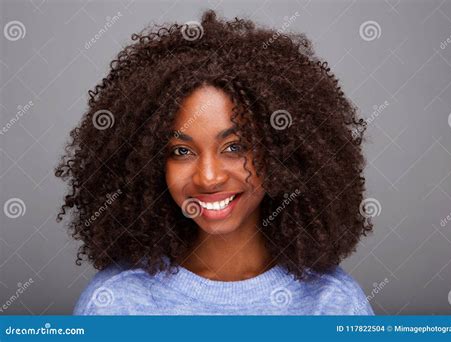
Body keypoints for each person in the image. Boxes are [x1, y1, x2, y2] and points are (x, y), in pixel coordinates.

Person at [55, 9, 374, 315]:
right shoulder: (116, 302)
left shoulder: (331, 303)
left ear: (283, 153)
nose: (208, 178)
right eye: (181, 151)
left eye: (235, 147)